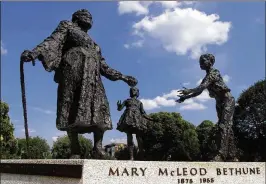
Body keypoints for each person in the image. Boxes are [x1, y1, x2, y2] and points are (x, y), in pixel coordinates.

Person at [20, 9, 138, 159]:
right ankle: (75, 149)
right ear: (76, 17)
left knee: (100, 109)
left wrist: (123, 77)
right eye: (85, 15)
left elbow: (104, 67)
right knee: (72, 109)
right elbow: (52, 41)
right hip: (73, 73)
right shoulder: (68, 26)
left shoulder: (95, 45)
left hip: (93, 81)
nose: (89, 18)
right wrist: (34, 53)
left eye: (91, 16)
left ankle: (97, 147)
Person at [176, 53, 237, 161]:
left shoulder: (214, 72)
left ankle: (221, 155)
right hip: (219, 102)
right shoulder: (206, 77)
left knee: (223, 125)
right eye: (200, 61)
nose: (200, 63)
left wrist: (189, 90)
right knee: (227, 127)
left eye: (203, 60)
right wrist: (185, 97)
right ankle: (231, 155)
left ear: (210, 61)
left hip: (227, 100)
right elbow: (199, 92)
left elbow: (202, 87)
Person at [117, 87, 152, 160]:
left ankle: (141, 156)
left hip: (137, 120)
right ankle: (131, 157)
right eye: (131, 90)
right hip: (128, 119)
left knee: (139, 138)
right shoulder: (127, 101)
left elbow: (143, 113)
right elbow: (120, 109)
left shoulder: (139, 103)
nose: (133, 91)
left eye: (134, 90)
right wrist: (119, 106)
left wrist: (151, 118)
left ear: (137, 92)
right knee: (129, 138)